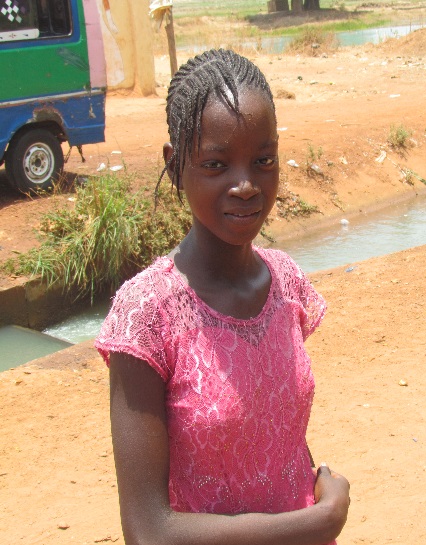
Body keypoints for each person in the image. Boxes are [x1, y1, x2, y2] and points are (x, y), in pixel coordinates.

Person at [95, 48, 350, 545]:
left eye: (263, 160)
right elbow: (148, 530)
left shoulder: (285, 283)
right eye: (216, 163)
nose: (245, 185)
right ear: (175, 166)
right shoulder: (147, 315)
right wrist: (317, 521)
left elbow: (278, 438)